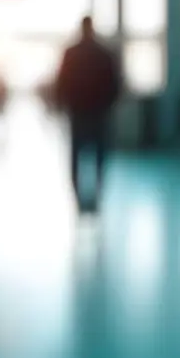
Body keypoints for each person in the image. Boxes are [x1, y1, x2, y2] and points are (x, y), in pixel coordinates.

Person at [55, 17, 121, 212]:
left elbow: (62, 82)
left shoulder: (71, 53)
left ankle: (78, 195)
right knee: (100, 153)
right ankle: (98, 192)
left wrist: (64, 105)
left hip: (78, 112)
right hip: (99, 112)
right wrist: (108, 104)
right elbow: (114, 83)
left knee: (77, 153)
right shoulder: (104, 53)